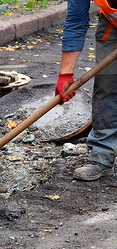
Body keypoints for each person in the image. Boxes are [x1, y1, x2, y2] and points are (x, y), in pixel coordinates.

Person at [56, 0, 117, 181]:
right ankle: (102, 157)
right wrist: (65, 74)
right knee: (106, 85)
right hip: (112, 24)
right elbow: (76, 20)